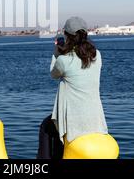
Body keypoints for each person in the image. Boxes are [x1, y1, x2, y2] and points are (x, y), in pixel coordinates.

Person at [37, 16, 108, 159]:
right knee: (55, 129)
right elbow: (79, 61)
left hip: (73, 123)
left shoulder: (63, 61)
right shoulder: (97, 55)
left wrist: (56, 54)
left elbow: (53, 74)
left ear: (67, 36)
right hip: (96, 121)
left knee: (47, 126)